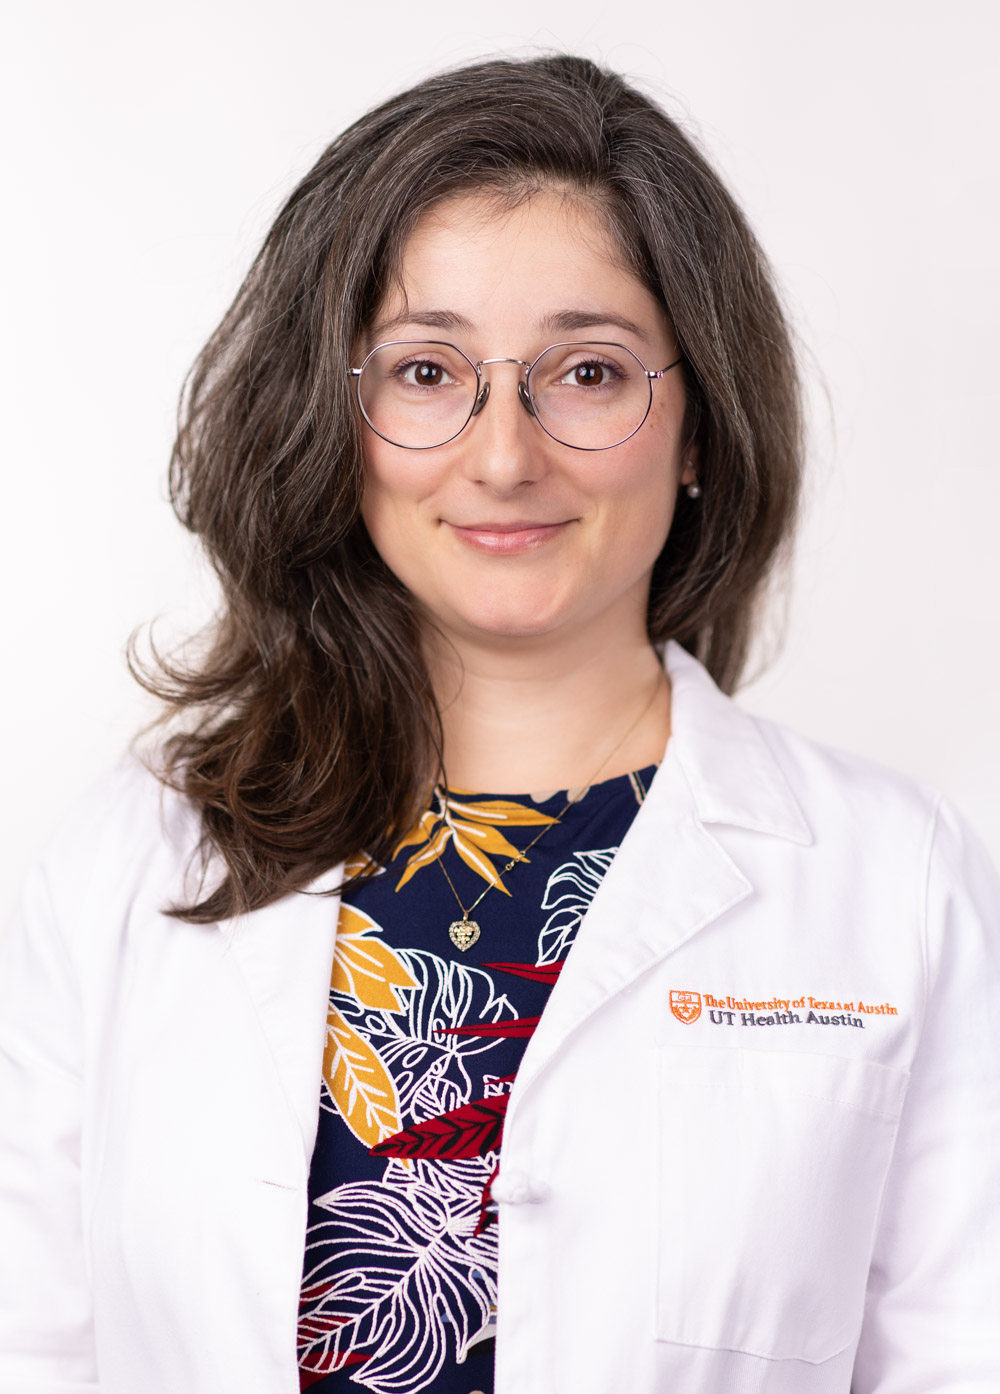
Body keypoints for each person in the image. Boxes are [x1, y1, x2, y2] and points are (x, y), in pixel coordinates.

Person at [1, 51, 998, 1394]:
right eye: (427, 370)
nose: (503, 452)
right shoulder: (131, 860)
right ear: (332, 414)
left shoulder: (896, 881)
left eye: (587, 372)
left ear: (698, 424)